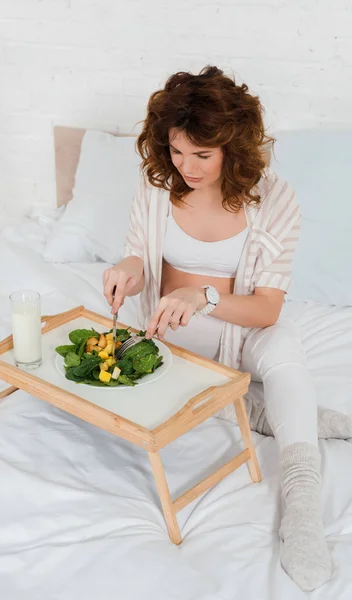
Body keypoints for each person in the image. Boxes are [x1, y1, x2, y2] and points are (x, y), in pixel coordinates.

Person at [102, 66, 335, 591]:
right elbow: (138, 258)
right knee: (246, 389)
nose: (186, 166)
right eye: (177, 151)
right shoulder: (157, 185)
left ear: (233, 147)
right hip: (172, 336)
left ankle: (301, 506)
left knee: (287, 355)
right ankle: (260, 408)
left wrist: (205, 297)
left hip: (240, 328)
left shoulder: (273, 198)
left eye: (202, 155)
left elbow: (267, 309)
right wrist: (127, 272)